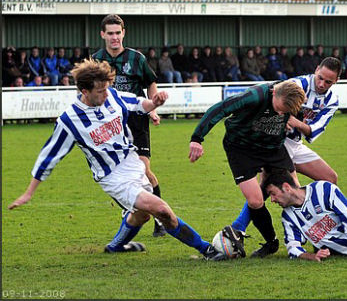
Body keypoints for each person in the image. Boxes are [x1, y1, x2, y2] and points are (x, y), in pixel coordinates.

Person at [7, 59, 227, 261]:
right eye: (100, 91)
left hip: (132, 162)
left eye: (106, 88)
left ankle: (115, 247)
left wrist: (155, 103)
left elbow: (139, 104)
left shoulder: (111, 95)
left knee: (142, 216)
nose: (105, 94)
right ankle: (207, 249)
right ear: (84, 91)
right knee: (161, 210)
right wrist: (29, 192)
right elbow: (50, 156)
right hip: (112, 176)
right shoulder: (69, 120)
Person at [228, 57, 344, 250]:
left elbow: (314, 130)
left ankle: (325, 224)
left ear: (336, 81)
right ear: (316, 70)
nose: (322, 84)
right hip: (276, 142)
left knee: (330, 179)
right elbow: (273, 107)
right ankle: (301, 233)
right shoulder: (297, 85)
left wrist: (297, 122)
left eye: (328, 82)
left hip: (295, 143)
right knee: (287, 188)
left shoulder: (332, 101)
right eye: (320, 78)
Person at [188, 80, 306, 258]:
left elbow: (299, 114)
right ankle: (271, 242)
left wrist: (290, 122)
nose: (281, 114)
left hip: (273, 148)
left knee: (295, 192)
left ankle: (306, 237)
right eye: (279, 109)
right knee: (255, 201)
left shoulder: (290, 99)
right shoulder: (254, 96)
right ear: (274, 93)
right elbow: (220, 109)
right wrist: (197, 138)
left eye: (285, 112)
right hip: (241, 149)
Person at [92, 14, 166, 237]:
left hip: (136, 120)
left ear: (123, 33)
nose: (115, 37)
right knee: (115, 172)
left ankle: (161, 219)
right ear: (103, 34)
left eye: (118, 33)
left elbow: (150, 83)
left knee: (143, 171)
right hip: (110, 123)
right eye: (110, 33)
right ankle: (128, 211)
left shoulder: (137, 58)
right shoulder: (95, 61)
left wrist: (152, 108)